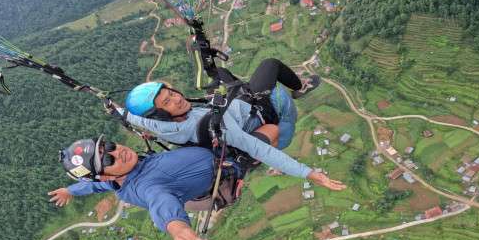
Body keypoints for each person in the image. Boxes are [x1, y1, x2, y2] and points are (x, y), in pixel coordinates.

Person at [121, 58, 346, 191]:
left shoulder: (160, 125)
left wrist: (111, 106)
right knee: (270, 66)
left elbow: (133, 116)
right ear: (160, 113)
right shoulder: (214, 125)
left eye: (171, 92)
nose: (177, 98)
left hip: (236, 114)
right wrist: (310, 174)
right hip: (259, 119)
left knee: (219, 72)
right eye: (167, 102)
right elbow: (261, 150)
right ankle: (299, 88)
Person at [48, 135, 222, 240]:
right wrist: (180, 232)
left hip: (212, 155)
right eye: (108, 160)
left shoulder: (115, 179)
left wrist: (69, 190)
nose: (117, 153)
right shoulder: (145, 186)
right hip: (227, 168)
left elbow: (93, 184)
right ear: (105, 175)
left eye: (108, 147)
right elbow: (160, 203)